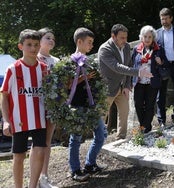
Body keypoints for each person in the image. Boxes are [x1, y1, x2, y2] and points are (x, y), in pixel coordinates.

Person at [1, 29, 47, 188]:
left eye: (36, 45)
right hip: (19, 119)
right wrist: (6, 121)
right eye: (29, 45)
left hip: (40, 118)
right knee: (19, 155)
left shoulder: (44, 68)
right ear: (20, 46)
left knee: (40, 151)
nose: (33, 48)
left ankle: (32, 186)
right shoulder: (13, 69)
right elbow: (4, 95)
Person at [98, 24, 153, 140]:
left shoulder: (127, 47)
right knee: (102, 116)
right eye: (122, 38)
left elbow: (129, 65)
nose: (125, 40)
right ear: (113, 36)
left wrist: (127, 86)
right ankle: (98, 140)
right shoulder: (105, 49)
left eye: (126, 37)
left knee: (124, 112)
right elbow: (117, 67)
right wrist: (138, 72)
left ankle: (121, 138)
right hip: (107, 88)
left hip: (122, 87)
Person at [68, 27, 107, 182]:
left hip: (92, 105)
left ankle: (90, 164)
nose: (91, 46)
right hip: (77, 105)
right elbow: (67, 86)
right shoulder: (70, 62)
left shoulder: (90, 61)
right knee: (76, 138)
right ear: (79, 42)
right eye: (89, 42)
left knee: (101, 135)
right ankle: (75, 170)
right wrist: (83, 78)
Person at [37, 27, 59, 188]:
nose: (51, 40)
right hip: (36, 105)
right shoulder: (32, 58)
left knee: (47, 141)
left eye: (53, 38)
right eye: (48, 38)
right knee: (38, 142)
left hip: (52, 105)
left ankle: (44, 176)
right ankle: (35, 176)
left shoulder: (57, 61)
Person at [132, 25, 162, 133]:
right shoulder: (136, 49)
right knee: (138, 104)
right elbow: (132, 64)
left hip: (152, 82)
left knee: (150, 106)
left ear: (153, 38)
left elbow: (165, 63)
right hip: (139, 81)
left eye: (150, 37)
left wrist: (161, 62)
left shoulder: (158, 49)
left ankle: (144, 128)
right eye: (145, 37)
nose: (147, 39)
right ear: (142, 37)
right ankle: (145, 126)